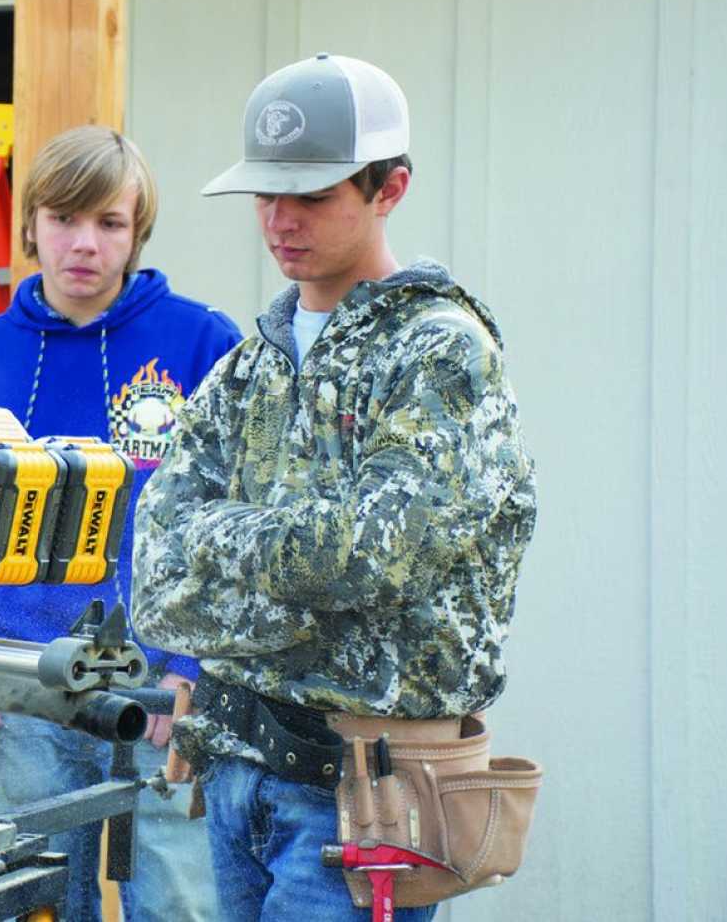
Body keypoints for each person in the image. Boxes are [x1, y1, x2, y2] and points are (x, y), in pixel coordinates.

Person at [131, 53, 536, 921]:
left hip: (362, 794)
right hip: (236, 775)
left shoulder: (438, 351)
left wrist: (231, 548)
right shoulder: (253, 362)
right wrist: (295, 575)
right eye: (265, 196)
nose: (279, 221)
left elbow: (371, 557)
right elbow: (158, 570)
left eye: (311, 197)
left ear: (389, 188)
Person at [0, 125, 239, 922]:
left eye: (109, 222)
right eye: (63, 219)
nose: (84, 243)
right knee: (33, 905)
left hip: (164, 684)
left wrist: (193, 668)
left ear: (137, 233)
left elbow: (234, 524)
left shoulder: (205, 344)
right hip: (21, 684)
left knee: (177, 902)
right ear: (30, 224)